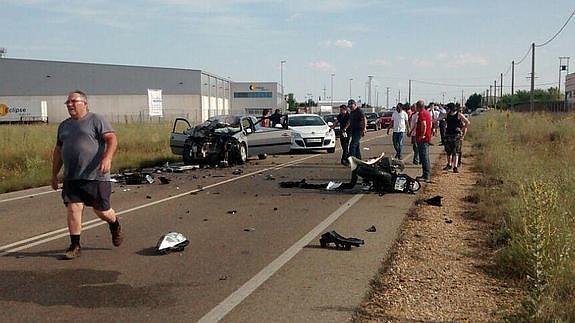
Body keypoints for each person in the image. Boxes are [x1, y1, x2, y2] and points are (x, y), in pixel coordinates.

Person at [51, 90, 123, 260]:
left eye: (73, 101)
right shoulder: (64, 126)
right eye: (67, 102)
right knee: (73, 208)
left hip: (96, 176)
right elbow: (58, 150)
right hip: (72, 176)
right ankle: (75, 245)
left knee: (102, 211)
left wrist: (107, 158)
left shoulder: (96, 120)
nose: (69, 105)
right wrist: (54, 174)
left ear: (84, 103)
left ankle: (114, 224)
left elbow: (112, 139)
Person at [442, 104, 470, 173]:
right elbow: (440, 118)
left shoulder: (459, 114)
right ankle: (449, 164)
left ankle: (455, 166)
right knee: (448, 151)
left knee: (455, 152)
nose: (447, 110)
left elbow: (467, 122)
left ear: (451, 109)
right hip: (448, 135)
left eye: (448, 108)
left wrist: (461, 129)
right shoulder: (447, 115)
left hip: (456, 135)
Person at [415, 100, 432, 182]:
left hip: (423, 139)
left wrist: (422, 135)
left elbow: (424, 125)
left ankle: (426, 175)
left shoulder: (422, 113)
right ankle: (426, 174)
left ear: (418, 106)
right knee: (425, 156)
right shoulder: (426, 112)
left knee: (424, 156)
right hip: (426, 137)